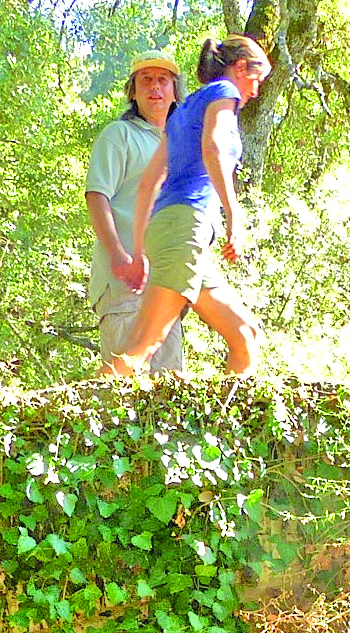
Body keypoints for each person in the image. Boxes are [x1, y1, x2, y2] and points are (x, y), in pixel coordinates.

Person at [103, 35, 271, 379]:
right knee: (143, 347)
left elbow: (150, 184)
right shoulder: (225, 94)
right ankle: (77, 420)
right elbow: (214, 148)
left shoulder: (181, 114)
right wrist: (234, 216)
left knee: (245, 333)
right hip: (186, 228)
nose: (254, 92)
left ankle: (226, 427)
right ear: (241, 69)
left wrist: (140, 250)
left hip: (171, 229)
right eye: (256, 80)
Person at [85, 53, 186, 373]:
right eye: (146, 79)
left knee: (168, 393)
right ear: (133, 90)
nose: (155, 87)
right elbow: (96, 195)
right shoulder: (119, 135)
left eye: (163, 80)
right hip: (125, 285)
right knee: (121, 390)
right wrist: (117, 255)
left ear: (174, 90)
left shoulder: (180, 144)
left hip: (166, 287)